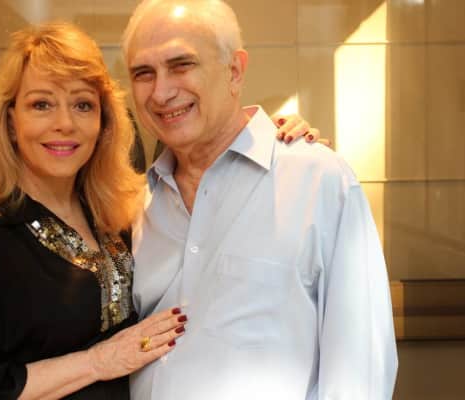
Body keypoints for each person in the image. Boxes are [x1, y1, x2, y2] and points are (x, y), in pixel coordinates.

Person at [0, 22, 314, 399]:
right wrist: (99, 362)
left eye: (83, 105)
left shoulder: (120, 211)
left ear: (104, 121)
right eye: (41, 104)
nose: (64, 124)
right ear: (11, 121)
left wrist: (271, 143)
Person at [122, 1, 398, 399]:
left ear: (234, 71)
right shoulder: (134, 204)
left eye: (182, 65)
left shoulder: (318, 180)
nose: (161, 92)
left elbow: (360, 367)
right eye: (143, 73)